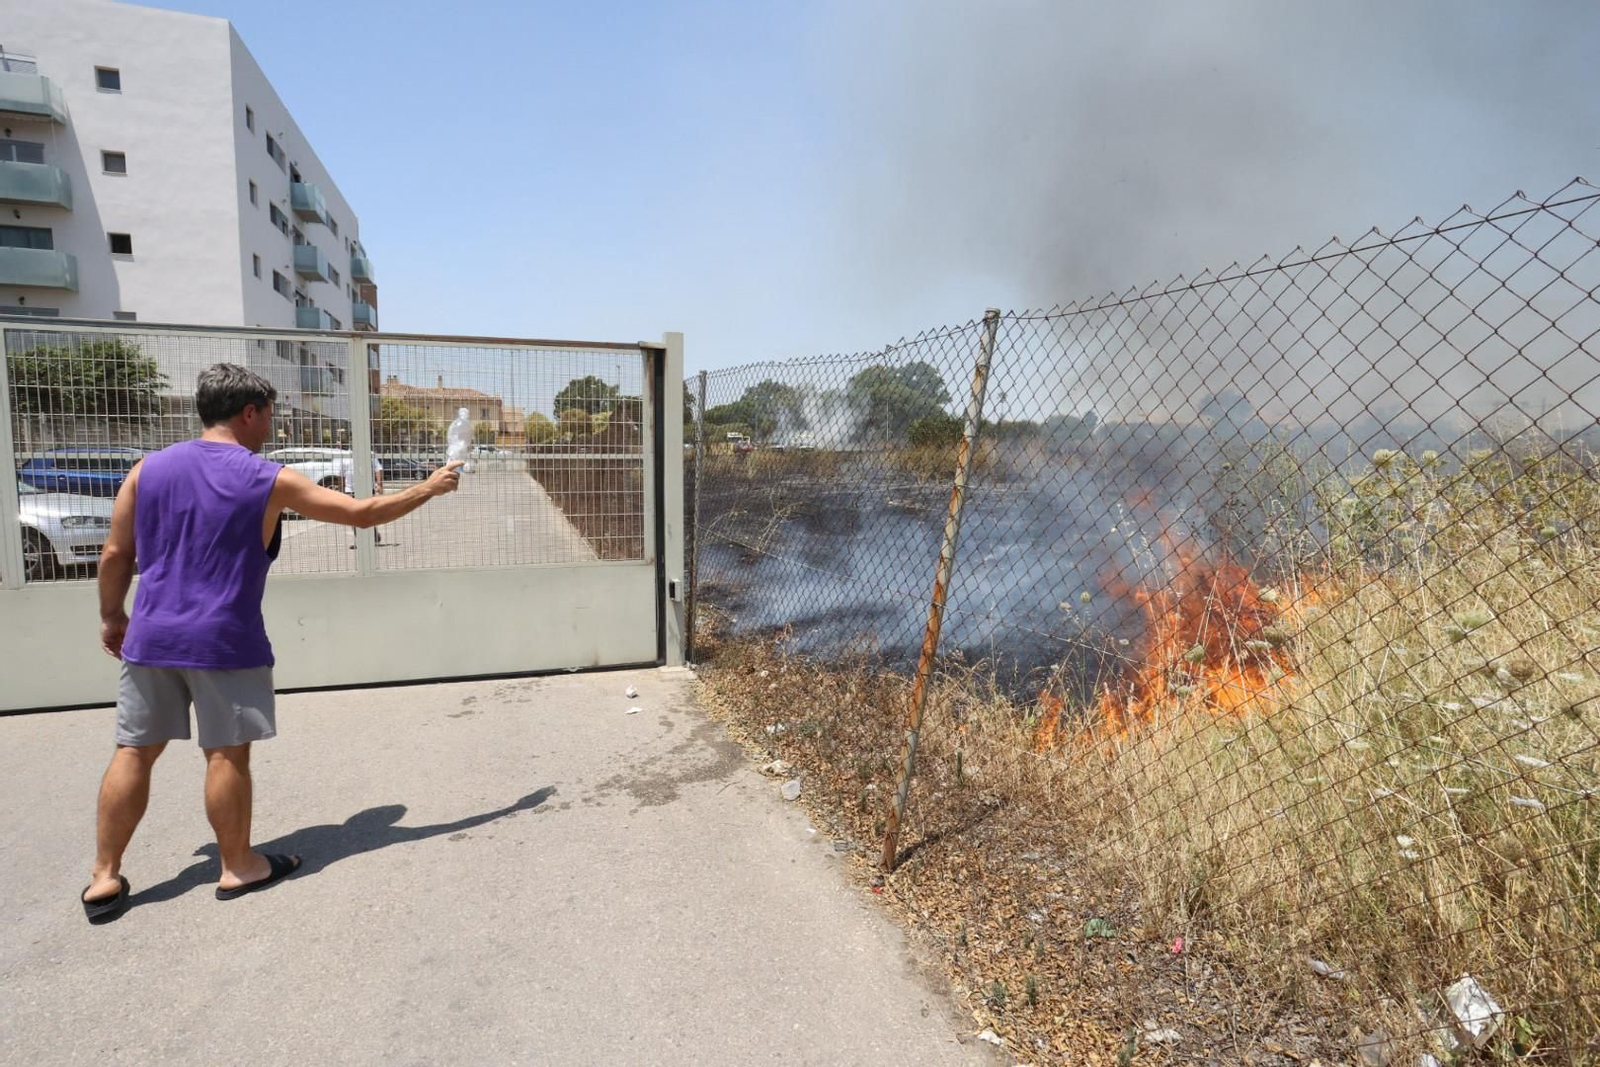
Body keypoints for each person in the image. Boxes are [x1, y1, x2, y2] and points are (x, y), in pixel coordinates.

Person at [81, 363, 462, 923]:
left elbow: (115, 555)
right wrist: (430, 486)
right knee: (226, 754)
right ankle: (238, 866)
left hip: (151, 636)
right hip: (224, 639)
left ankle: (104, 877)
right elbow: (360, 514)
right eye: (270, 415)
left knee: (134, 750)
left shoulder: (147, 470)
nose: (272, 426)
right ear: (249, 412)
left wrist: (114, 617)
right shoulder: (266, 477)